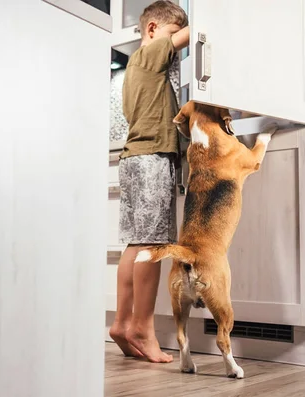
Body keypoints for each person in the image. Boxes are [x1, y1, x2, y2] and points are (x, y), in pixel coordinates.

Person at [109, 0, 189, 363]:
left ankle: (123, 323)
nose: (174, 44)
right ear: (153, 30)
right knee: (153, 246)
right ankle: (143, 327)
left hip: (132, 161)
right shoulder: (149, 55)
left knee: (135, 244)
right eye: (171, 32)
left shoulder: (136, 71)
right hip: (151, 160)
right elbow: (191, 35)